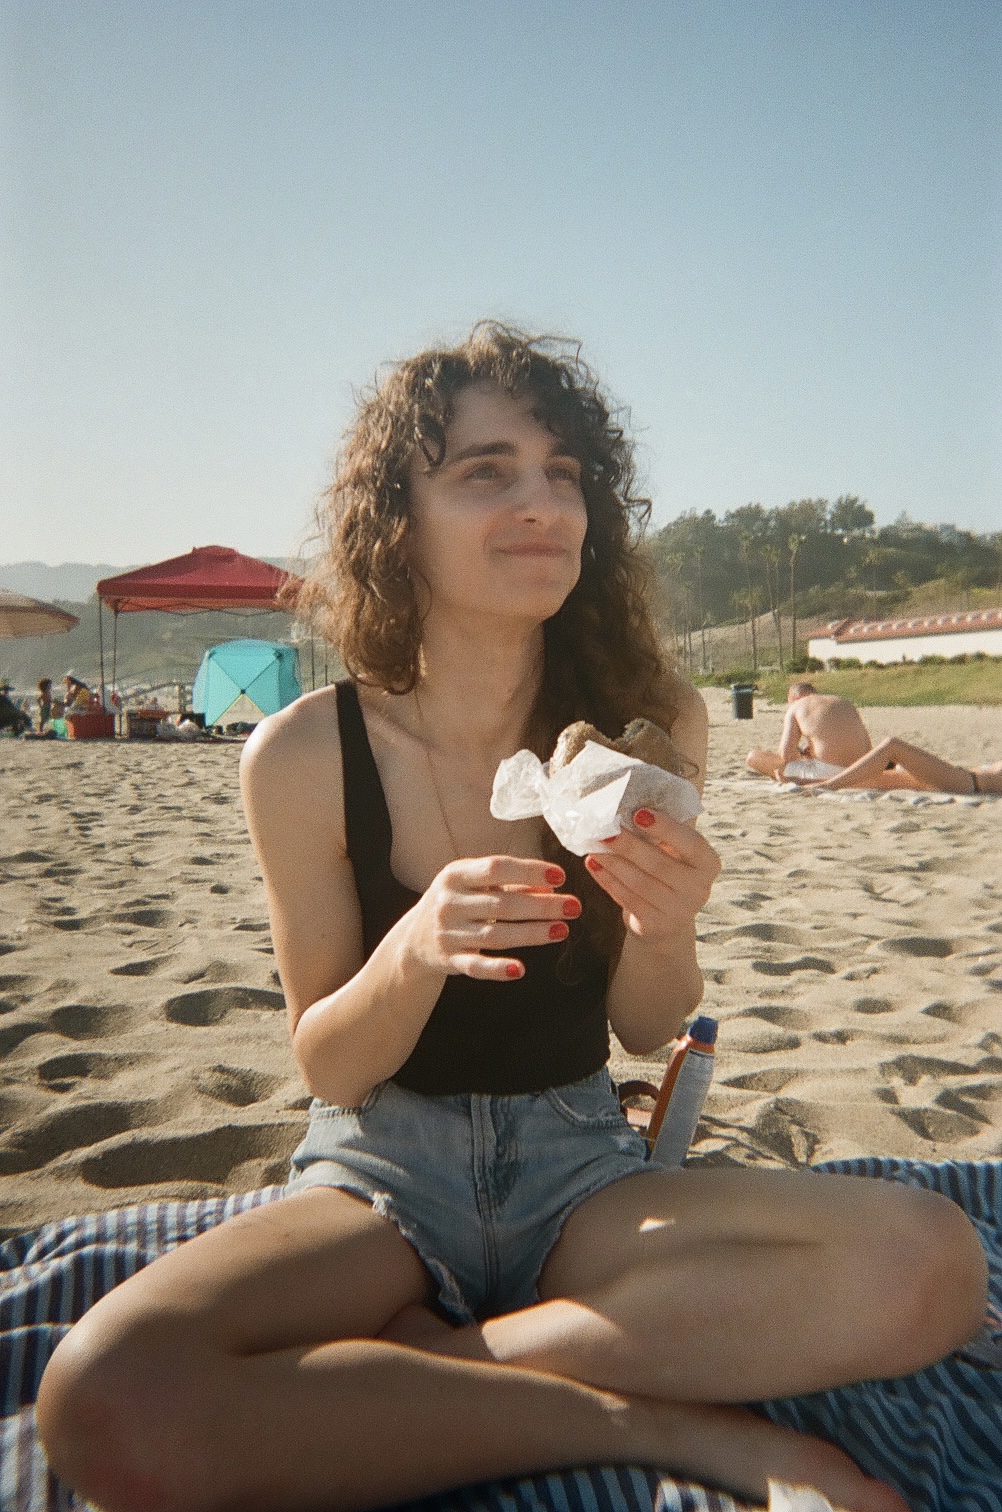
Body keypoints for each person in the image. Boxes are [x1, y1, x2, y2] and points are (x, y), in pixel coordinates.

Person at [37, 325, 987, 1512]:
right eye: (486, 471)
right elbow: (331, 1065)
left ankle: (436, 1376)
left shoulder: (646, 726)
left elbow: (649, 1031)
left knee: (934, 1267)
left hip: (580, 1165)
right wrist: (417, 947)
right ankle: (654, 1421)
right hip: (383, 1174)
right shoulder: (300, 755)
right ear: (401, 520)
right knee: (103, 1395)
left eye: (564, 473)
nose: (542, 502)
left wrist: (664, 925)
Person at [784, 735, 1002, 795]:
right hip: (964, 778)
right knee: (885, 778)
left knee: (892, 746)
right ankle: (813, 781)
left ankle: (827, 785)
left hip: (967, 782)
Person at [746, 682, 874, 780]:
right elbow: (867, 747)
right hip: (862, 770)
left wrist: (799, 754)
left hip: (830, 773)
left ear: (795, 697)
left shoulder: (797, 706)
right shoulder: (842, 701)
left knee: (753, 757)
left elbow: (786, 757)